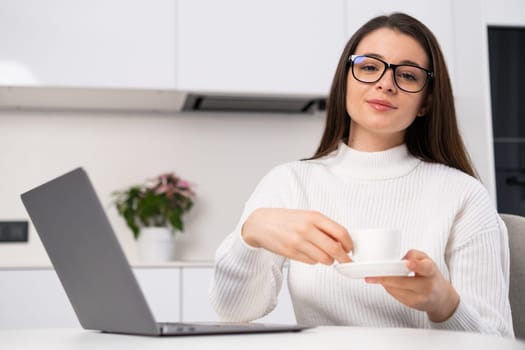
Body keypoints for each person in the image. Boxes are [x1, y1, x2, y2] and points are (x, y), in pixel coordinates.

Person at [209, 12, 514, 337]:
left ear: (425, 101)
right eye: (369, 67)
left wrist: (445, 304)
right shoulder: (290, 183)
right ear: (345, 81)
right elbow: (233, 313)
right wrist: (250, 234)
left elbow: (498, 340)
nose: (385, 83)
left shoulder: (463, 196)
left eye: (408, 76)